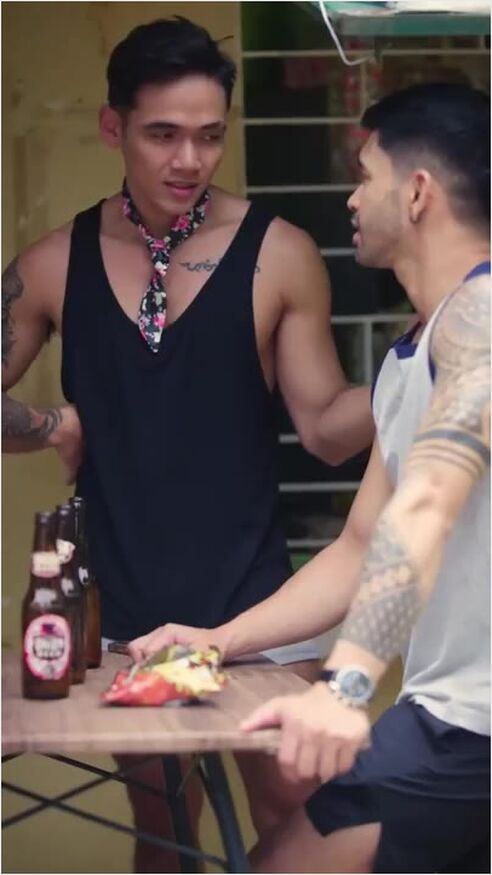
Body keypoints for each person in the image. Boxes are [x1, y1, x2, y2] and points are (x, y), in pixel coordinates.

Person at [2, 16, 374, 871]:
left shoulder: (278, 253)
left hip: (259, 603)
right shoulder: (55, 262)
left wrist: (416, 368)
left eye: (210, 135)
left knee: (293, 811)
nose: (189, 160)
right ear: (114, 127)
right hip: (125, 605)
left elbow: (324, 429)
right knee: (163, 818)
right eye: (162, 134)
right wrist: (53, 424)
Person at [130, 82, 491, 874]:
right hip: (454, 721)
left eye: (365, 176)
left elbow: (428, 501)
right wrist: (218, 640)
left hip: (470, 729)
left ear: (417, 193)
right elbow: (360, 546)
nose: (352, 199)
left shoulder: (482, 317)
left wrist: (344, 686)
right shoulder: (413, 354)